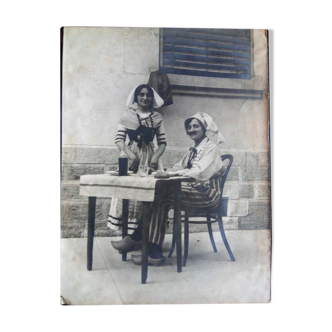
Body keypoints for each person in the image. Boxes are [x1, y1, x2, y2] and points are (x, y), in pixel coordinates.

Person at [113, 112, 226, 266]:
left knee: (161, 199)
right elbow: (179, 167)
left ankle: (145, 245)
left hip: (208, 194)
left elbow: (199, 171)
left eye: (196, 126)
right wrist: (164, 172)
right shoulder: (193, 149)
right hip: (194, 191)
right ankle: (147, 246)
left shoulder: (210, 148)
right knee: (156, 196)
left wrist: (172, 174)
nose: (192, 129)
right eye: (189, 127)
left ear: (204, 128)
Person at [108, 84, 167, 248]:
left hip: (150, 157)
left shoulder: (157, 118)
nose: (145, 98)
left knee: (149, 194)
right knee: (127, 192)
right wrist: (130, 155)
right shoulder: (128, 115)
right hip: (130, 155)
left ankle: (143, 236)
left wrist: (155, 157)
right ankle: (128, 237)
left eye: (148, 95)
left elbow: (162, 143)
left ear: (152, 98)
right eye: (141, 95)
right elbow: (119, 139)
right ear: (136, 97)